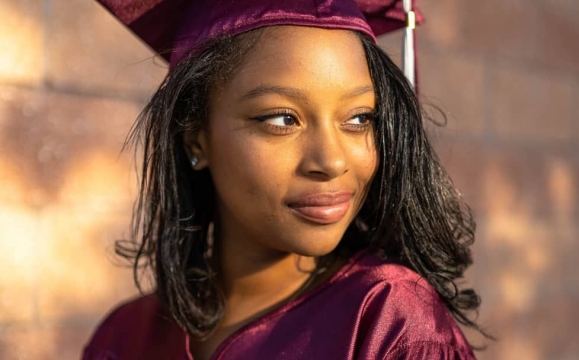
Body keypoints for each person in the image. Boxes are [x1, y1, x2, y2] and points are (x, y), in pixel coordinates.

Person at [83, 1, 490, 359]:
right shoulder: (123, 339)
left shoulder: (390, 323)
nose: (331, 161)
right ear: (196, 138)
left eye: (359, 118)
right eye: (282, 119)